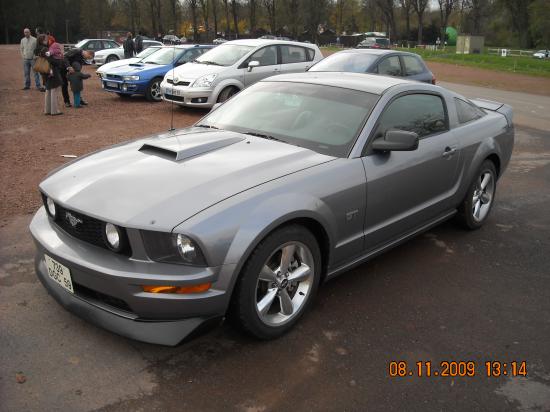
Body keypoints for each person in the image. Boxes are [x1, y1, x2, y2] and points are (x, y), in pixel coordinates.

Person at [44, 42, 65, 115]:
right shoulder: (57, 58)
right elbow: (59, 65)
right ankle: (54, 110)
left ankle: (47, 110)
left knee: (48, 92)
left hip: (47, 75)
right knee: (54, 93)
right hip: (55, 76)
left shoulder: (48, 56)